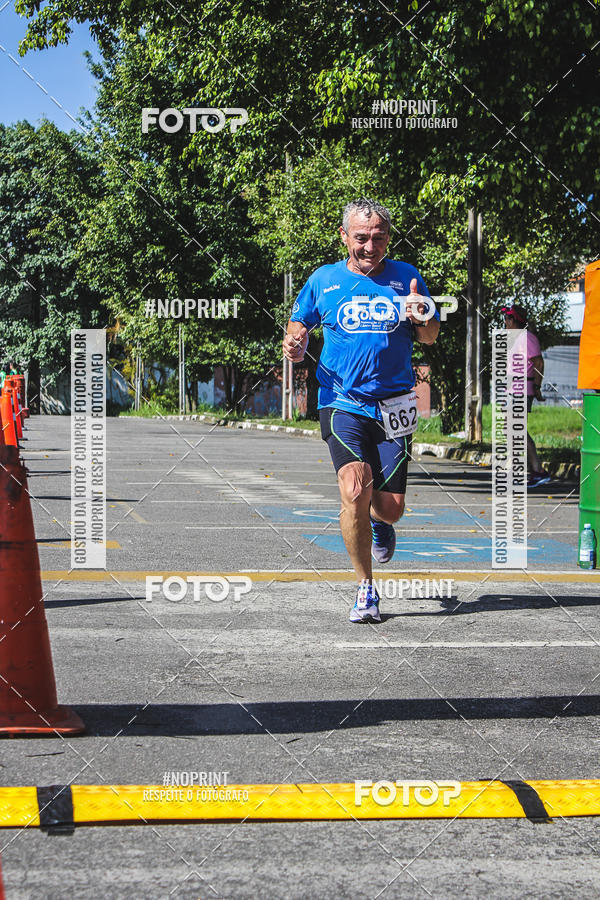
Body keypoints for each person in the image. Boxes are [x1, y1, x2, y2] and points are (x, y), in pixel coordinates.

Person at [283, 198, 440, 623]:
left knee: (389, 507)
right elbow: (298, 326)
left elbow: (429, 336)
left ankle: (381, 523)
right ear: (344, 237)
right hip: (341, 401)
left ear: (388, 236)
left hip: (395, 404)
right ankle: (365, 589)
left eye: (379, 236)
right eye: (361, 237)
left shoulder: (407, 277)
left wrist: (422, 312)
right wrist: (295, 344)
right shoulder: (324, 279)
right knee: (355, 488)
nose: (371, 246)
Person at [501, 303, 550, 489]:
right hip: (513, 391)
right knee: (511, 430)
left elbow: (538, 362)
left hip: (521, 390)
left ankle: (536, 471)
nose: (505, 322)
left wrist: (537, 387)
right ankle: (531, 470)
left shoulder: (527, 338)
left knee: (516, 430)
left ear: (515, 320)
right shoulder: (516, 339)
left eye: (508, 318)